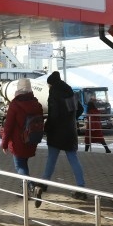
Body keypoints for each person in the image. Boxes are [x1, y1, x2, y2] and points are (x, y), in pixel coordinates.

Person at [38, 71, 88, 201]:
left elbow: (53, 115)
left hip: (56, 132)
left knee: (51, 159)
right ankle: (81, 187)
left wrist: (47, 127)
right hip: (69, 132)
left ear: (51, 84)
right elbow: (80, 109)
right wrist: (71, 119)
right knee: (73, 159)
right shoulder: (69, 91)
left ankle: (44, 183)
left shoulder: (54, 93)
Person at [1, 78, 44, 207]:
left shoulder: (15, 104)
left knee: (20, 166)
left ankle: (32, 187)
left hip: (18, 142)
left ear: (18, 89)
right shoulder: (36, 103)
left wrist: (4, 143)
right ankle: (25, 191)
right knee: (24, 164)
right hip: (32, 139)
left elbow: (8, 126)